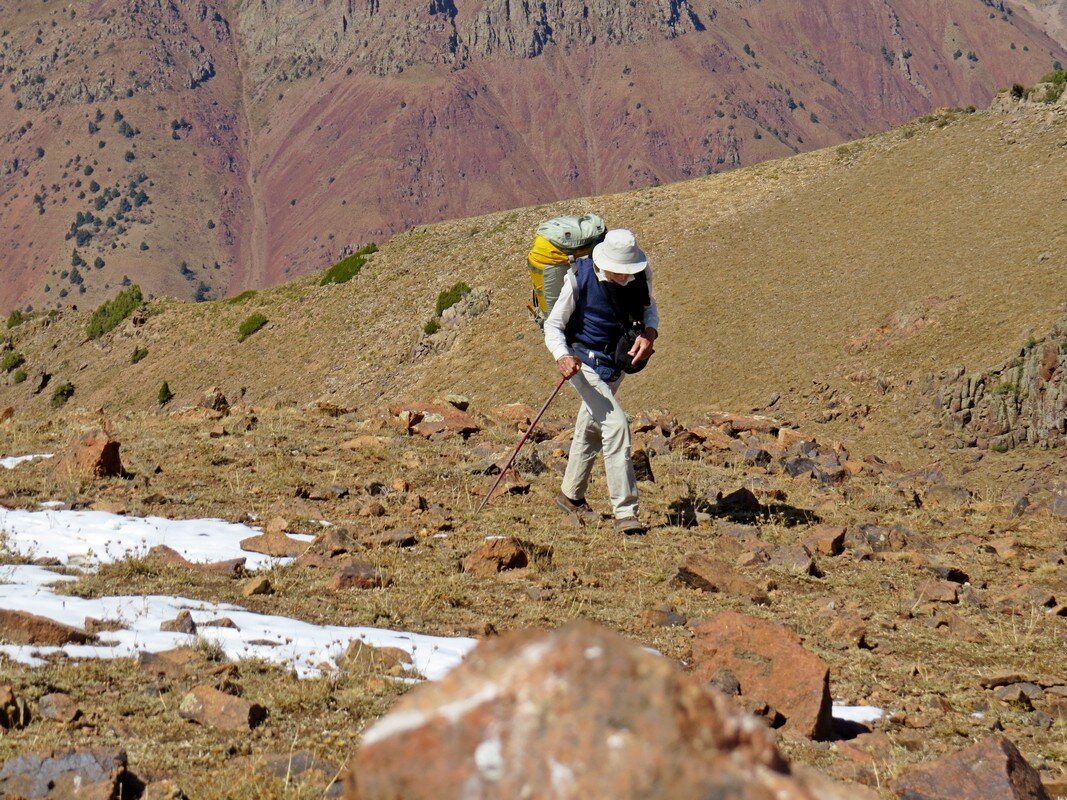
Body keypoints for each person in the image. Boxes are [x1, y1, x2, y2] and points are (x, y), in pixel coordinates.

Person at [543, 228, 659, 534]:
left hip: (616, 364)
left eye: (627, 271)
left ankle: (571, 496)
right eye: (618, 271)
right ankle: (625, 513)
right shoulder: (577, 278)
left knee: (592, 426)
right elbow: (553, 325)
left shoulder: (640, 274)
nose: (624, 277)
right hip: (581, 362)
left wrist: (649, 334)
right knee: (615, 424)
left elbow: (650, 309)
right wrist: (562, 357)